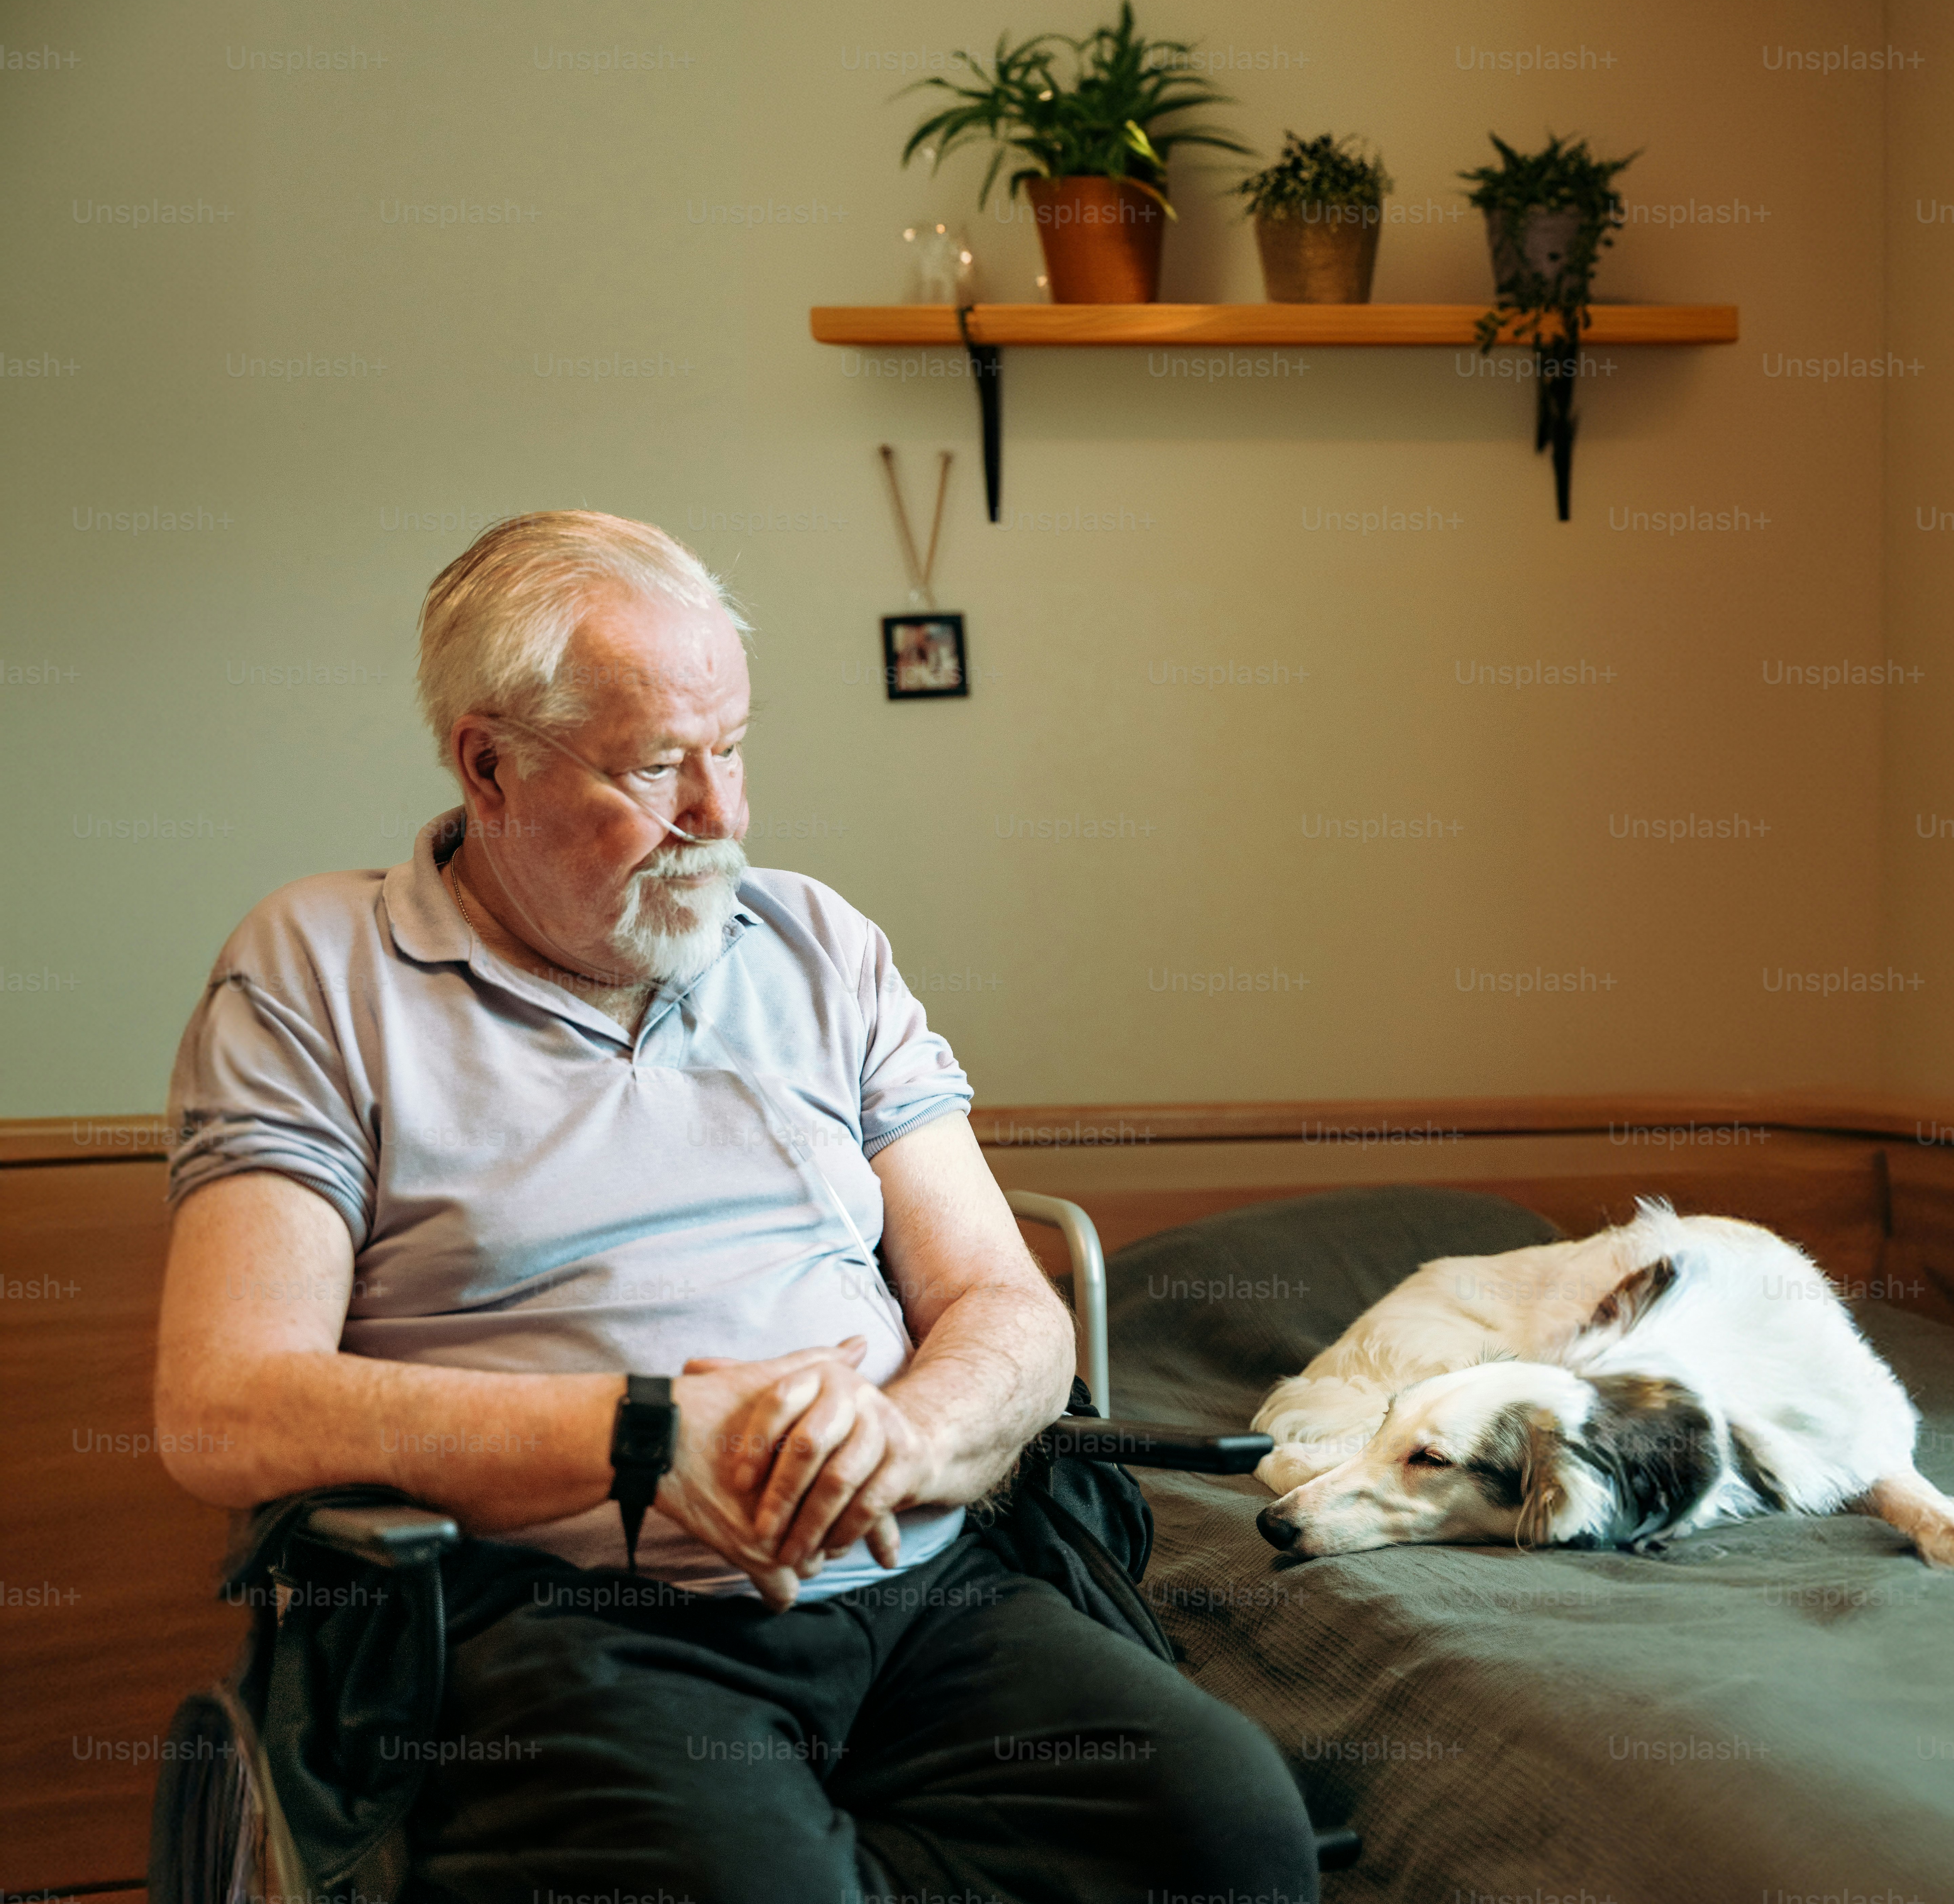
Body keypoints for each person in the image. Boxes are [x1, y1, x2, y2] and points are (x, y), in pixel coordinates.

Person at [152, 511, 1315, 1904]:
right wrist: (638, 1436)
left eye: (734, 748)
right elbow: (224, 1404)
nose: (724, 815)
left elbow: (1006, 1307)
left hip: (923, 1581)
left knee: (1225, 1834)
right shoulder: (318, 968)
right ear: (489, 762)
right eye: (657, 768)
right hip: (570, 1613)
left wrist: (901, 1437)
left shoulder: (819, 943)